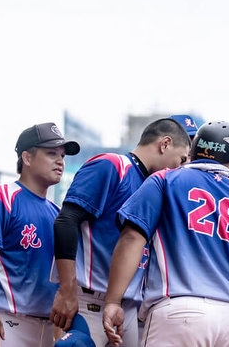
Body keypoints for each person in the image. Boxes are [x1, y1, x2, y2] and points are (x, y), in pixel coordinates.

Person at [102, 121, 229, 346]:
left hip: (179, 309)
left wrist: (113, 301)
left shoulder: (165, 179)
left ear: (192, 153)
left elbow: (132, 237)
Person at [50, 118, 191, 346]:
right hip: (89, 300)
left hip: (127, 308)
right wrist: (66, 290)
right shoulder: (112, 165)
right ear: (165, 144)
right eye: (181, 158)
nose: (180, 166)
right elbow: (66, 220)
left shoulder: (155, 187)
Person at [0, 122, 80, 347]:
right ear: (27, 158)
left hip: (46, 326)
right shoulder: (1, 198)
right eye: (51, 153)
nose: (60, 161)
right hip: (3, 321)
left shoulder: (58, 214)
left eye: (63, 156)